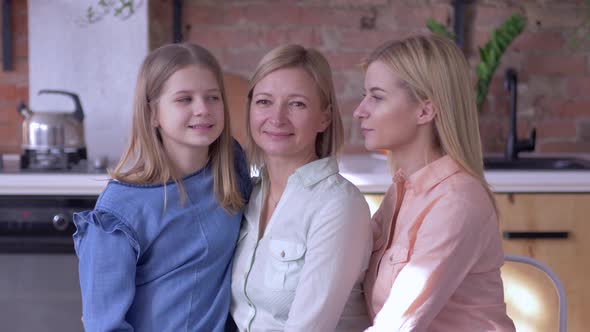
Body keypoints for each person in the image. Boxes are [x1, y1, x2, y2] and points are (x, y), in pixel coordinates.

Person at [72, 43, 251, 332]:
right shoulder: (117, 215)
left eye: (213, 97)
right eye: (184, 99)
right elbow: (104, 326)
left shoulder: (230, 166)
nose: (203, 109)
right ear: (152, 113)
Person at [354, 35, 516, 331]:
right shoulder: (402, 191)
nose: (360, 110)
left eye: (376, 97)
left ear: (425, 111)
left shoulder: (456, 202)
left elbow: (396, 324)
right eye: (365, 95)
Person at [230, 44, 372, 332]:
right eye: (264, 102)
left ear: (324, 117)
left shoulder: (338, 205)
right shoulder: (248, 195)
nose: (277, 118)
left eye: (297, 104)